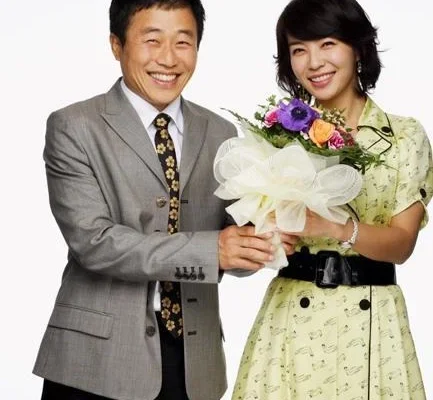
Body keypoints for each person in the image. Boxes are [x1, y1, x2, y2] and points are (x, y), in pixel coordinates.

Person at [32, 1, 297, 399]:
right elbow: (94, 243)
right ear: (117, 45)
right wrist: (215, 250)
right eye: (152, 40)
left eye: (183, 42)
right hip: (95, 361)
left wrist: (259, 242)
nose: (169, 59)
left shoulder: (221, 132)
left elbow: (229, 245)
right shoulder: (74, 126)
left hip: (194, 360)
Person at [232, 0, 433, 399]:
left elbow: (402, 244)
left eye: (327, 44)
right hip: (291, 317)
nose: (314, 63)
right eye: (299, 49)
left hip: (373, 319)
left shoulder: (403, 137)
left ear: (357, 48)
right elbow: (255, 239)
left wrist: (333, 227)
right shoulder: (278, 138)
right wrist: (267, 239)